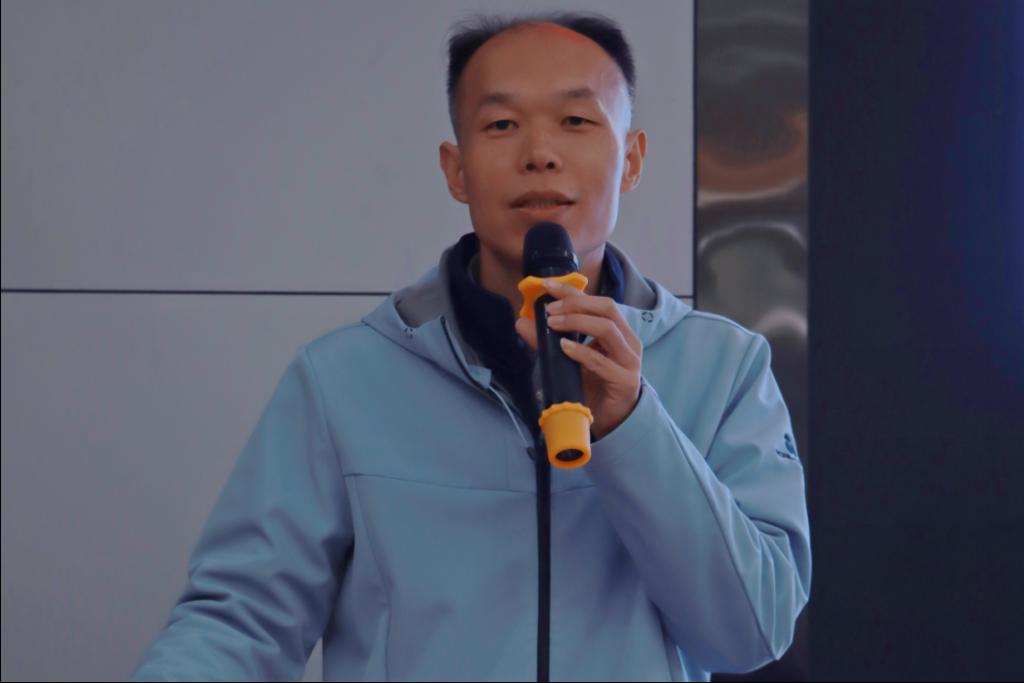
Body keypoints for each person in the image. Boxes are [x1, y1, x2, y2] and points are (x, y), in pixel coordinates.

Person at [131, 10, 811, 682]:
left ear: (630, 160)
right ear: (456, 171)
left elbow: (751, 631)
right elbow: (243, 620)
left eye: (576, 120)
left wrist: (633, 424)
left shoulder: (724, 368)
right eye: (501, 124)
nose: (539, 153)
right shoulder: (343, 379)